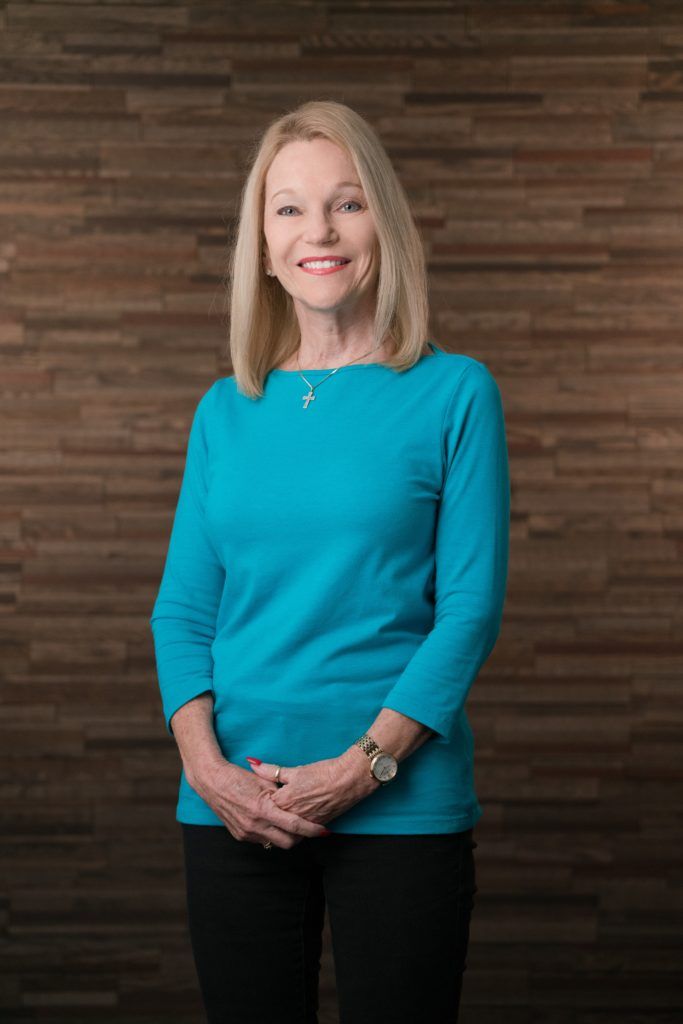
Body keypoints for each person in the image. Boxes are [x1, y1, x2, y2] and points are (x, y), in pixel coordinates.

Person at [149, 99, 510, 1024]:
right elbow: (184, 611)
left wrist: (362, 767)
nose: (318, 231)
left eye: (345, 205)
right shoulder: (225, 409)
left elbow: (466, 608)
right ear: (263, 245)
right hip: (235, 808)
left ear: (380, 226)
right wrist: (206, 768)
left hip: (399, 808)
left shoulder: (453, 391)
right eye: (289, 209)